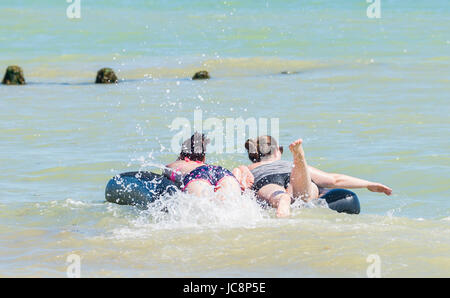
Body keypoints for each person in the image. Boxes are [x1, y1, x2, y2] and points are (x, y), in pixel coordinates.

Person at [233, 136, 392, 218]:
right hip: (293, 174)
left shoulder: (249, 169)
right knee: (308, 192)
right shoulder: (285, 164)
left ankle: (282, 200)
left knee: (272, 193)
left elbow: (236, 187)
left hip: (263, 179)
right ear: (278, 151)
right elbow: (333, 180)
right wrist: (368, 184)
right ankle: (300, 162)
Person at [164, 133, 241, 200]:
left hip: (197, 175)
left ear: (181, 155)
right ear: (204, 158)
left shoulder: (178, 164)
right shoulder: (207, 166)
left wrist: (179, 159)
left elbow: (165, 175)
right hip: (222, 172)